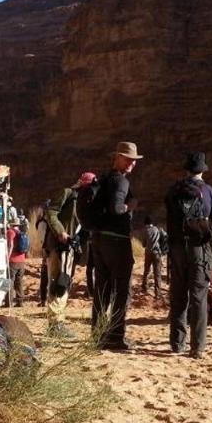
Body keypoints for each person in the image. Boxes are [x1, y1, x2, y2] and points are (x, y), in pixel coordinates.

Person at [165, 152, 212, 357]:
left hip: (177, 248)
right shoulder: (209, 191)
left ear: (186, 170)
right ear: (202, 171)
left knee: (178, 295)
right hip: (199, 248)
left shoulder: (173, 191)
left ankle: (176, 343)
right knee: (198, 297)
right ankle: (197, 347)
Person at [91, 142, 141, 350]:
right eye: (128, 159)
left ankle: (98, 335)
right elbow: (116, 208)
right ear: (117, 157)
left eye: (134, 161)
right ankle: (116, 336)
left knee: (102, 289)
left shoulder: (103, 179)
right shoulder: (121, 182)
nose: (131, 164)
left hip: (99, 240)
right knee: (121, 290)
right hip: (117, 241)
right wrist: (131, 205)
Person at [44, 172, 96, 337]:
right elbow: (51, 213)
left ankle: (58, 322)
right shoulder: (67, 194)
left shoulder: (86, 203)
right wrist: (61, 232)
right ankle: (55, 325)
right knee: (58, 283)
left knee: (64, 283)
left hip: (71, 250)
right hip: (59, 247)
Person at [140, 216, 168, 300]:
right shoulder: (158, 229)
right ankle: (158, 294)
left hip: (148, 253)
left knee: (146, 271)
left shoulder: (145, 231)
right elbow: (166, 237)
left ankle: (144, 287)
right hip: (157, 253)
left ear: (146, 223)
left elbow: (143, 244)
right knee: (157, 273)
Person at [5, 216, 27, 307]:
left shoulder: (10, 232)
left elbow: (11, 245)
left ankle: (8, 302)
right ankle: (20, 301)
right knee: (19, 282)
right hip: (22, 260)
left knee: (10, 281)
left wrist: (7, 257)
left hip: (13, 260)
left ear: (11, 224)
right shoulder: (22, 233)